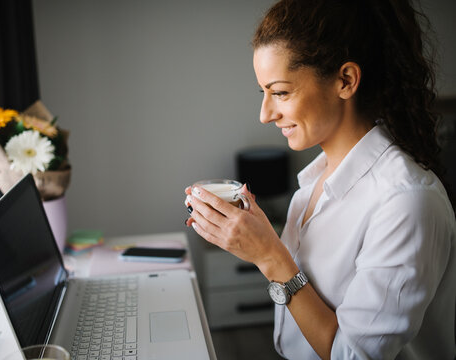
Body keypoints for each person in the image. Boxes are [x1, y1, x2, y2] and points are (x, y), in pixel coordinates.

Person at [184, 0, 456, 359]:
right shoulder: (314, 182)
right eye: (263, 92)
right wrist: (253, 242)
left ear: (345, 80)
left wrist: (270, 256)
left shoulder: (406, 203)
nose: (265, 114)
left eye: (280, 92)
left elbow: (352, 355)